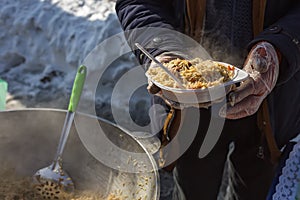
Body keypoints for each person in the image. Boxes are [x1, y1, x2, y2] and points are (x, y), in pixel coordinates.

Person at [115, 0, 300, 199]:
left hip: (274, 102)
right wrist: (162, 48)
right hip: (190, 104)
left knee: (257, 191)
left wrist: (280, 46)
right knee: (194, 189)